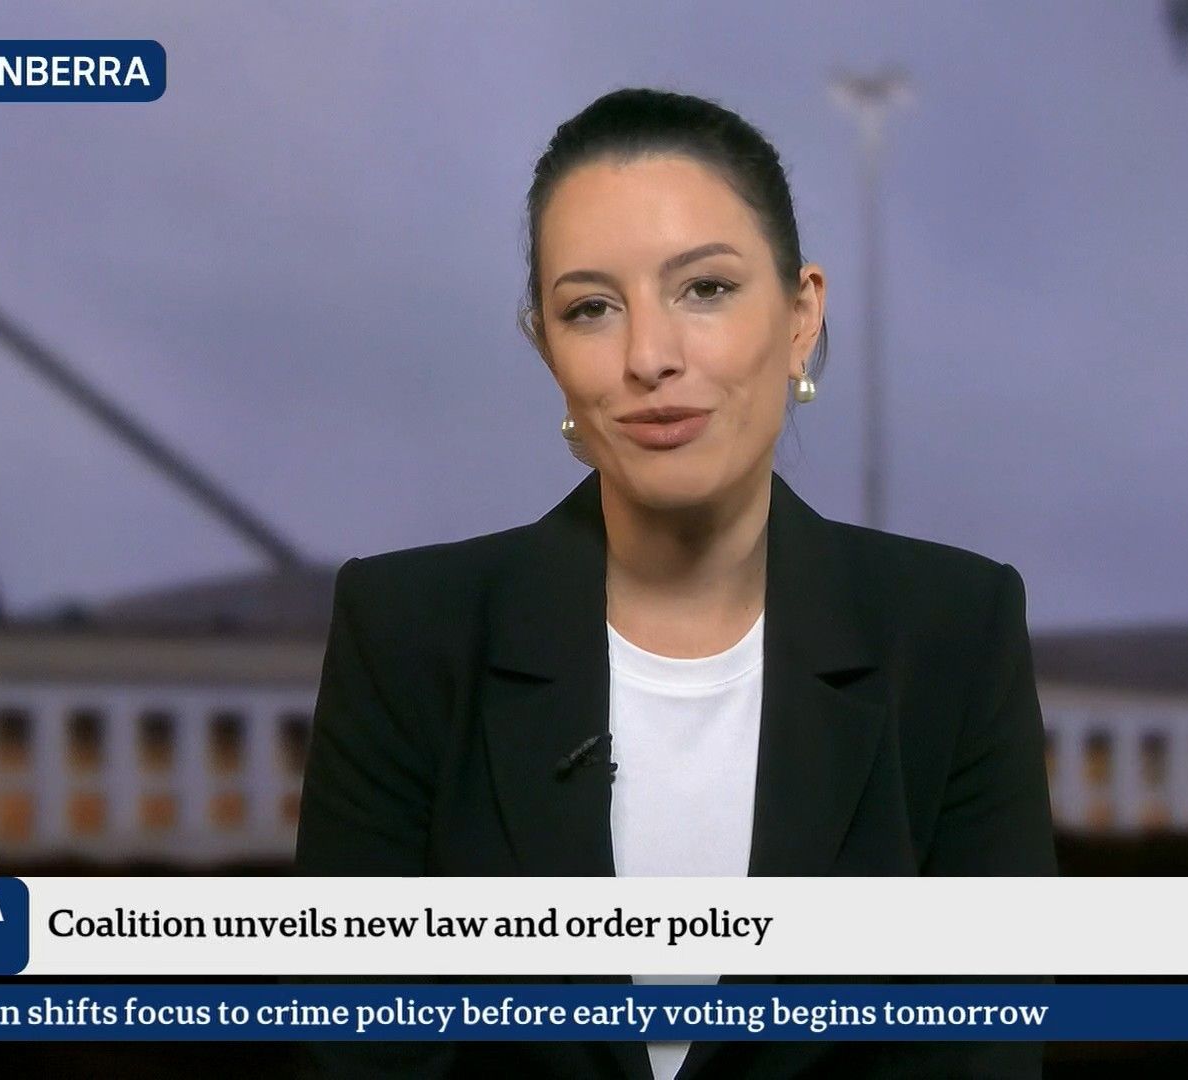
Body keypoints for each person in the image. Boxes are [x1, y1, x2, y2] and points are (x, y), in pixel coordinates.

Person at [293, 86, 1057, 1079]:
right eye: (591, 308)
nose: (649, 357)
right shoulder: (405, 637)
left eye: (704, 289)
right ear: (546, 347)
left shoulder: (955, 633)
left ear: (800, 315)